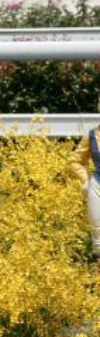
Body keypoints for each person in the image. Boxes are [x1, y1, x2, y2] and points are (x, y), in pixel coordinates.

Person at [68, 104, 100, 257]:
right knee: (98, 238)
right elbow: (75, 159)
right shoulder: (92, 135)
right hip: (98, 187)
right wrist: (84, 179)